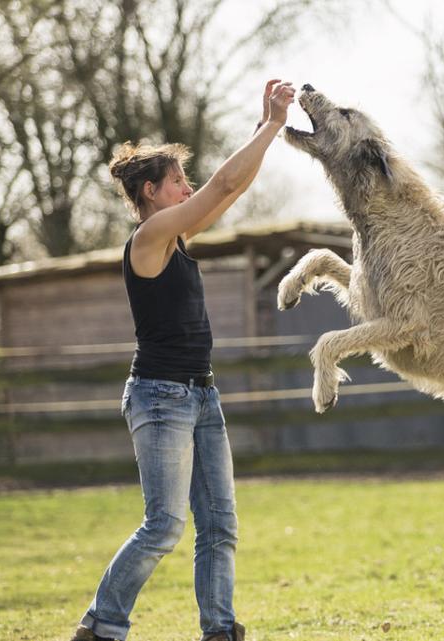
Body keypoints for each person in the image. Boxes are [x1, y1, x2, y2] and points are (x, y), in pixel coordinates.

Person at [70, 79, 296, 641]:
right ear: (150, 191)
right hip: (161, 395)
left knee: (219, 524)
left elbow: (227, 190)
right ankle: (101, 625)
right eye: (176, 181)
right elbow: (220, 184)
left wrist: (263, 128)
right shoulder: (149, 237)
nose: (186, 187)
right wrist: (271, 125)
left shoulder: (176, 238)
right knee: (165, 524)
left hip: (201, 394)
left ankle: (219, 630)